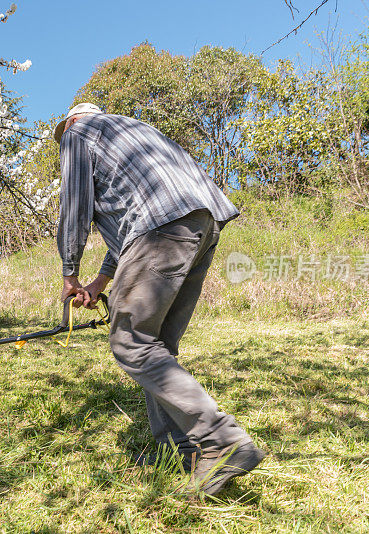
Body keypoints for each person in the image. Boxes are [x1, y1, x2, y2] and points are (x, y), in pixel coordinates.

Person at [54, 102, 265, 497]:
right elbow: (127, 237)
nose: (62, 143)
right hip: (200, 225)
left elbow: (74, 206)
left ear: (72, 122)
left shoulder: (79, 133)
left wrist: (70, 273)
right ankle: (182, 448)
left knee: (131, 342)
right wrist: (100, 283)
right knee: (157, 345)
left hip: (161, 231)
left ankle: (223, 441)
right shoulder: (135, 134)